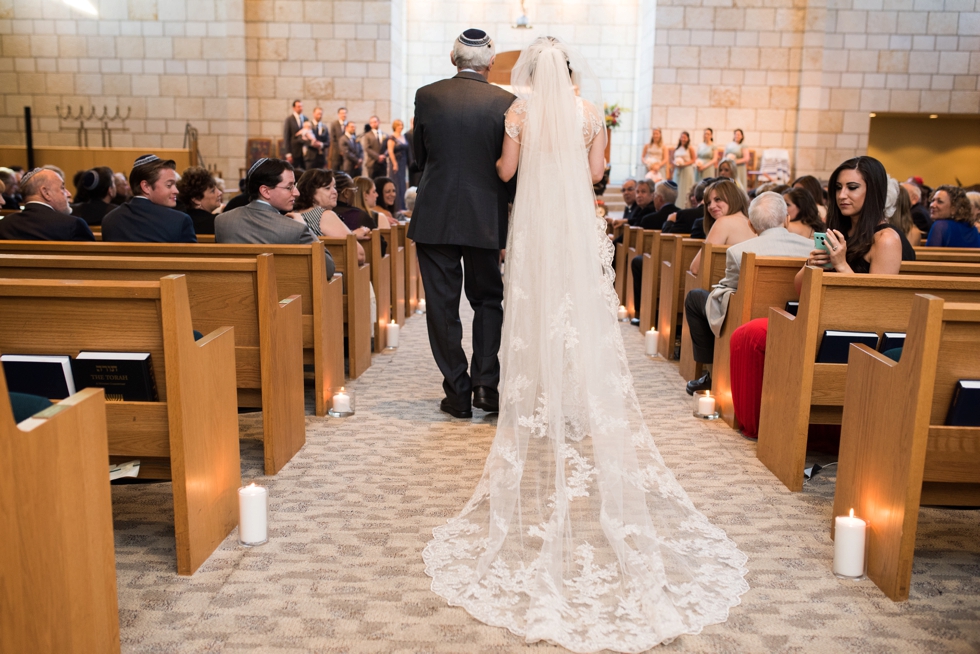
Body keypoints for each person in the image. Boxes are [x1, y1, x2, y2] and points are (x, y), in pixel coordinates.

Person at [422, 36, 748, 653]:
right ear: (571, 73)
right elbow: (598, 174)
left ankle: (530, 392)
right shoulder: (588, 111)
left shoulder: (519, 112)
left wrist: (510, 164)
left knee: (533, 306)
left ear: (528, 73)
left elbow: (507, 172)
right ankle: (575, 393)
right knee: (579, 307)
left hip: (536, 219)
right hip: (576, 217)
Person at [408, 28, 516, 419]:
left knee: (442, 304)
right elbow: (510, 167)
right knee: (488, 299)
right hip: (485, 214)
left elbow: (418, 155)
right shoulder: (507, 101)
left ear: (453, 59)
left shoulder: (427, 95)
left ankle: (457, 392)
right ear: (490, 63)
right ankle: (486, 385)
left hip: (435, 213)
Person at [683, 192, 813, 394]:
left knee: (696, 298)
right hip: (796, 316)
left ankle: (711, 372)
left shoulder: (738, 251)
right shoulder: (811, 248)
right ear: (787, 220)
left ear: (751, 226)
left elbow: (731, 288)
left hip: (749, 318)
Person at [215, 159, 334, 277]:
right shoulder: (295, 229)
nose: (296, 192)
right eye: (289, 187)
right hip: (282, 295)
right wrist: (305, 227)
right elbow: (327, 268)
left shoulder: (222, 221)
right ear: (265, 191)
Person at [102, 155, 196, 243]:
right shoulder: (179, 221)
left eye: (175, 184)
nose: (176, 191)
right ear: (146, 186)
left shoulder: (110, 219)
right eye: (169, 185)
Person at [292, 168, 366, 264]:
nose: (335, 191)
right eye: (327, 188)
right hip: (329, 275)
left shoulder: (294, 214)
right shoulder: (324, 215)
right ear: (310, 192)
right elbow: (359, 255)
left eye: (334, 187)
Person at [0, 168, 94, 241]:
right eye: (62, 188)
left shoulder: (4, 225)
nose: (69, 194)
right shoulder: (73, 225)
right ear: (46, 193)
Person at [688, 179, 755, 276]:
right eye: (708, 203)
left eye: (717, 199)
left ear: (733, 197)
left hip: (727, 287)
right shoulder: (752, 223)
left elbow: (695, 268)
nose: (711, 206)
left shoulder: (723, 222)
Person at [176, 166, 222, 234]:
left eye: (217, 188)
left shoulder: (179, 221)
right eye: (212, 191)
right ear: (197, 199)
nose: (220, 193)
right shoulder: (217, 223)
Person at [386, 119, 410, 211]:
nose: (401, 126)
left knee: (402, 184)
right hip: (396, 163)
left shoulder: (403, 137)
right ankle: (396, 207)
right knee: (396, 184)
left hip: (403, 163)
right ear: (395, 126)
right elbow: (390, 151)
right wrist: (395, 163)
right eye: (399, 125)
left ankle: (402, 207)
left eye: (401, 125)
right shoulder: (392, 138)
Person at [671, 130, 696, 209]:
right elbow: (672, 158)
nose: (683, 139)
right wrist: (675, 163)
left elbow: (693, 159)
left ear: (688, 139)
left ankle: (685, 205)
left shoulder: (690, 148)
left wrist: (683, 164)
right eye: (682, 137)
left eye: (685, 137)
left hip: (686, 170)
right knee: (677, 187)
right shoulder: (676, 148)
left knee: (686, 188)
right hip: (678, 171)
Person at [282, 100, 307, 166]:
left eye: (301, 106)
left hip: (304, 152)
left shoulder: (305, 119)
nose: (300, 108)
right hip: (294, 151)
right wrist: (288, 153)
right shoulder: (289, 120)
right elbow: (286, 137)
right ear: (294, 108)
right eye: (298, 106)